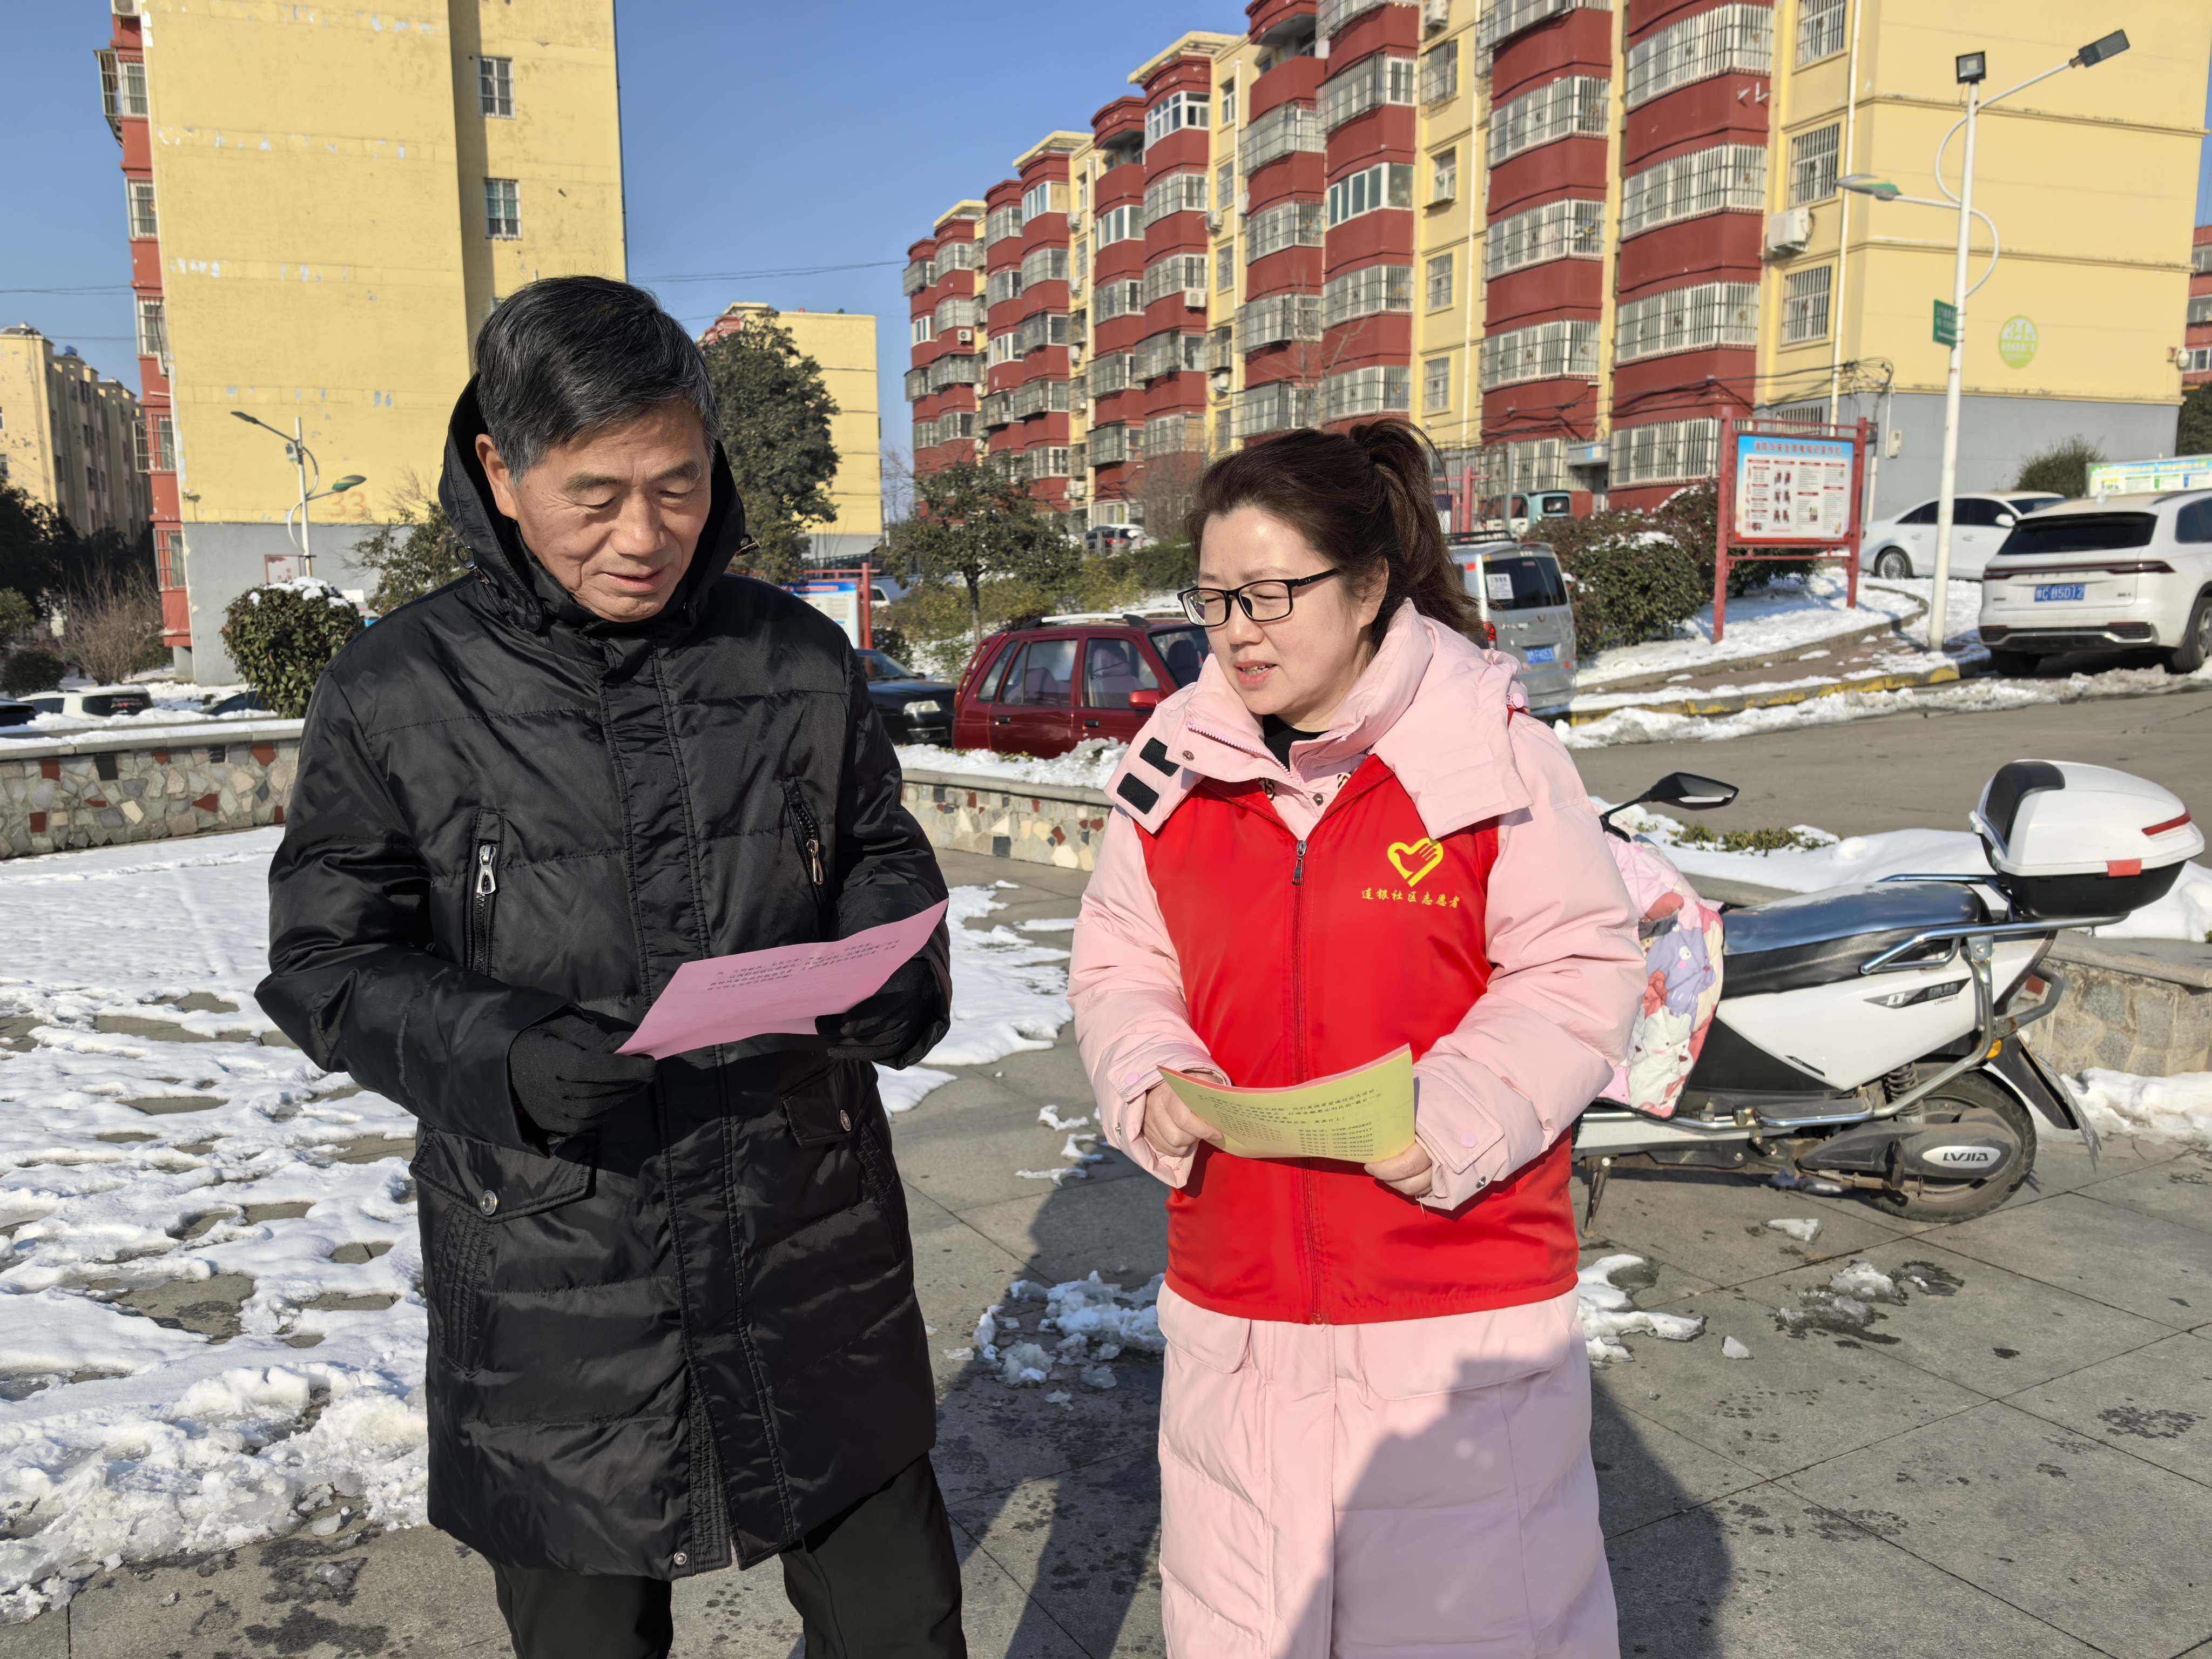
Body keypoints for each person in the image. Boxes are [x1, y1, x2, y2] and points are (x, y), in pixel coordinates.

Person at [257, 277, 966, 1659]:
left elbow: (879, 851)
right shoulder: (398, 688)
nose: (644, 537)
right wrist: (502, 1055)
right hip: (556, 1268)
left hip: (805, 1231)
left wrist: (896, 963)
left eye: (677, 486)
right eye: (595, 496)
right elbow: (328, 958)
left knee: (898, 1622)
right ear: (499, 471)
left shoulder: (794, 656)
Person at [1069, 421, 1645, 1658]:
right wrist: (1150, 1073)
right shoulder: (1173, 765)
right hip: (1240, 1311)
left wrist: (1448, 1115)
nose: (1236, 631)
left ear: (1370, 583)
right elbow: (1121, 961)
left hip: (1448, 1314)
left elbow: (1580, 965)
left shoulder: (1486, 749)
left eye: (1270, 594)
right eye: (1213, 598)